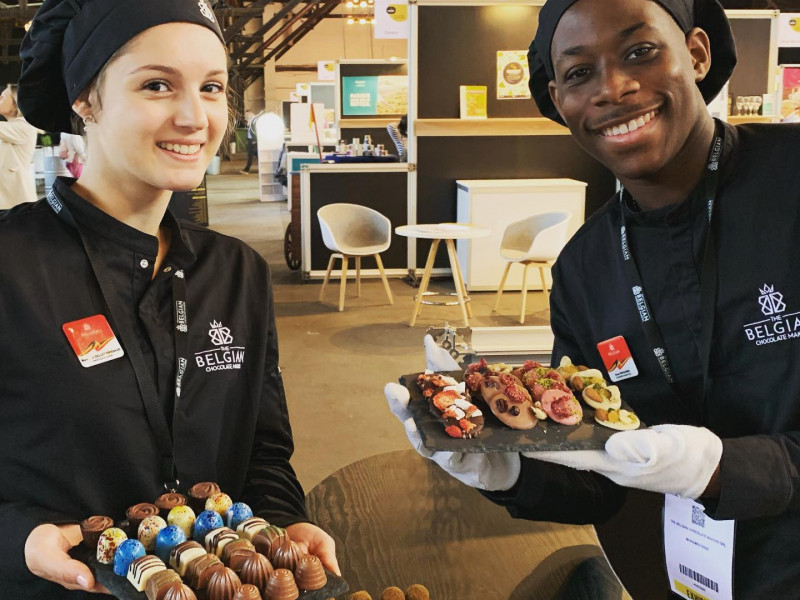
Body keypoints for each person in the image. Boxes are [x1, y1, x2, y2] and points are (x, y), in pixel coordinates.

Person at [385, 1, 800, 598]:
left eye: (640, 51)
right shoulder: (585, 269)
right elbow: (600, 470)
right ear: (559, 100)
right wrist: (508, 471)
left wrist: (724, 469)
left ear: (698, 54)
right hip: (679, 579)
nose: (614, 87)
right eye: (580, 73)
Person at [2, 1, 338, 597]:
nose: (194, 116)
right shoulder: (11, 265)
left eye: (212, 87)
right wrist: (18, 536)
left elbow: (262, 449)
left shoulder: (236, 271)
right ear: (86, 99)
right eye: (157, 85)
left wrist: (287, 524)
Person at [0, 83, 38, 208]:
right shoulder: (7, 129)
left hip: (17, 204)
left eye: (2, 97)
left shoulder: (25, 126)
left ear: (15, 102)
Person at [240, 108, 258, 174]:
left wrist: (254, 140)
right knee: (251, 155)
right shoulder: (251, 121)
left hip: (253, 141)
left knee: (250, 155)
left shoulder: (253, 121)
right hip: (251, 140)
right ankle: (247, 169)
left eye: (246, 116)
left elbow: (254, 132)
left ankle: (246, 169)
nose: (245, 117)